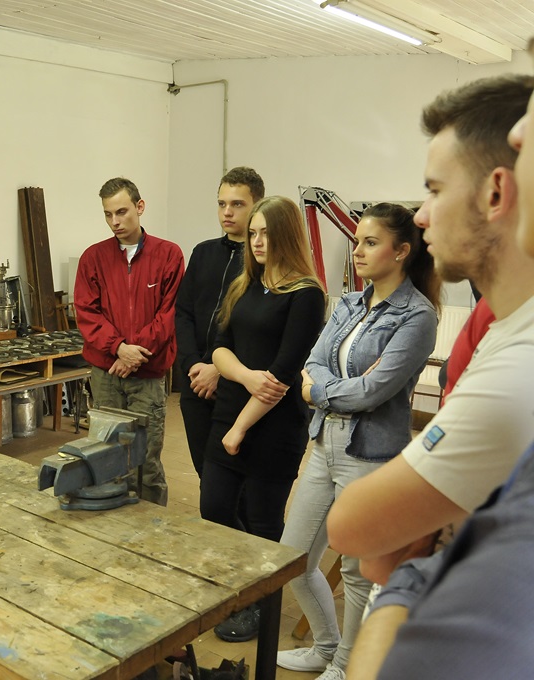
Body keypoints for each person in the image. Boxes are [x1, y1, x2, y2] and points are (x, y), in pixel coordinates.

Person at [343, 63, 534, 680]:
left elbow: (354, 526)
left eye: (432, 190)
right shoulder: (499, 328)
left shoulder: (517, 367)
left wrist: (412, 572)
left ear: (495, 193)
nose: (421, 215)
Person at [276, 204, 439, 680]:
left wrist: (319, 392)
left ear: (401, 251)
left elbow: (374, 391)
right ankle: (326, 646)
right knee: (293, 556)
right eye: (356, 241)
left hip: (370, 452)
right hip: (324, 443)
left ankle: (347, 665)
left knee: (356, 568)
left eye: (370, 242)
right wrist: (334, 388)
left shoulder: (418, 316)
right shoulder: (349, 303)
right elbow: (312, 362)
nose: (358, 251)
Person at [200, 195, 326, 642]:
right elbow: (218, 348)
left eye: (266, 233)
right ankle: (240, 584)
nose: (256, 241)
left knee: (263, 521)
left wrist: (241, 427)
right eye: (253, 233)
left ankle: (261, 605)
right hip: (231, 411)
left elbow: (283, 375)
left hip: (274, 427)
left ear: (286, 235)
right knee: (214, 507)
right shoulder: (244, 285)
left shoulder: (306, 295)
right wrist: (245, 377)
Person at [73, 177, 185, 506]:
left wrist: (135, 354)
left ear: (140, 207)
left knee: (146, 462)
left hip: (147, 375)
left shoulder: (168, 255)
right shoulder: (93, 258)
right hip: (107, 374)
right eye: (108, 214)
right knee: (106, 456)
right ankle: (111, 525)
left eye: (121, 212)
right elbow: (86, 312)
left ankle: (153, 526)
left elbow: (170, 313)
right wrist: (118, 349)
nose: (115, 222)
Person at [175, 167, 265, 478]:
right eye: (222, 203)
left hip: (235, 385)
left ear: (257, 205)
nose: (227, 212)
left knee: (234, 476)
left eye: (237, 204)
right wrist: (192, 365)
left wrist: (218, 369)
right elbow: (183, 312)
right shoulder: (203, 253)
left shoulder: (263, 263)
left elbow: (257, 333)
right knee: (206, 475)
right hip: (194, 382)